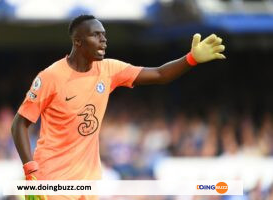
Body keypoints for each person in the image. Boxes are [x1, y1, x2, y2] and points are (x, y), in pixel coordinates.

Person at [11, 15, 225, 200]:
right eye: (96, 35)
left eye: (104, 35)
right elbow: (19, 124)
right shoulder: (51, 77)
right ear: (77, 42)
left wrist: (191, 59)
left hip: (88, 180)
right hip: (53, 179)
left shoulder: (109, 70)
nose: (104, 40)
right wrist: (30, 169)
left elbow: (160, 74)